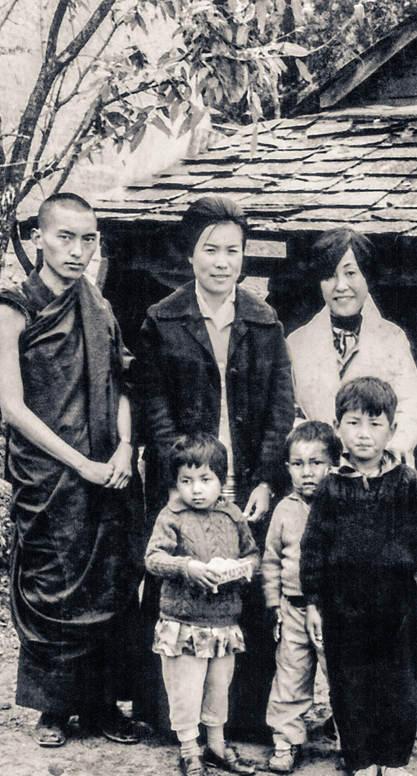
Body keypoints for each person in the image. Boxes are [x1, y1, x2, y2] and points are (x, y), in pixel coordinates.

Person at [133, 195, 295, 735]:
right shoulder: (162, 319)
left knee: (241, 594)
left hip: (246, 483)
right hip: (184, 483)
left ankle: (241, 720)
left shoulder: (264, 319)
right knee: (181, 592)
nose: (222, 262)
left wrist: (268, 479)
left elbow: (279, 407)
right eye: (211, 250)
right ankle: (173, 720)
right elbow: (154, 407)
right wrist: (185, 481)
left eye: (233, 251)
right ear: (191, 255)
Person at [0, 192, 144, 748]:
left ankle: (101, 706)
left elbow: (125, 381)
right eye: (65, 237)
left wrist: (125, 448)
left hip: (109, 470)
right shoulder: (13, 306)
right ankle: (54, 709)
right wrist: (80, 463)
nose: (78, 250)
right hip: (51, 475)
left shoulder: (98, 304)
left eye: (89, 239)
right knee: (54, 582)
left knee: (108, 584)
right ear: (39, 238)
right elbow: (13, 406)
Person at [301, 377, 417, 776]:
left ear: (393, 429)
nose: (364, 434)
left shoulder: (407, 482)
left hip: (396, 598)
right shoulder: (330, 486)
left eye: (375, 424)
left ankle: (395, 761)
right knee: (350, 681)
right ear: (337, 427)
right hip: (343, 601)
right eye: (354, 422)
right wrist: (313, 603)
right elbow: (313, 548)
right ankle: (361, 761)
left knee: (399, 681)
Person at [144, 434, 261, 776]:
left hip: (224, 621)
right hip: (184, 623)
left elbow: (252, 553)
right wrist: (188, 567)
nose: (196, 489)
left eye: (206, 480)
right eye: (186, 481)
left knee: (218, 688)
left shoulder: (232, 514)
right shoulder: (172, 515)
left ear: (222, 481)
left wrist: (243, 569)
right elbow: (153, 559)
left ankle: (217, 745)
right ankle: (189, 750)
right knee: (186, 690)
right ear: (176, 482)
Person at [285, 228, 417, 467]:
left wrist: (394, 446)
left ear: (366, 277)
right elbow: (291, 413)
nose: (341, 285)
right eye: (330, 276)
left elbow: (409, 407)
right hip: (319, 472)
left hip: (381, 468)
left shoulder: (393, 338)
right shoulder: (297, 343)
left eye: (351, 273)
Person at [262, 420, 343, 773]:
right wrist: (273, 605)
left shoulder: (345, 507)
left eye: (316, 463)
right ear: (287, 468)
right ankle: (286, 740)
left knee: (341, 673)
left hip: (334, 609)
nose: (306, 473)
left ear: (333, 465)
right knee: (291, 675)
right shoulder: (284, 510)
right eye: (298, 464)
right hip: (293, 609)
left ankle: (350, 735)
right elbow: (270, 560)